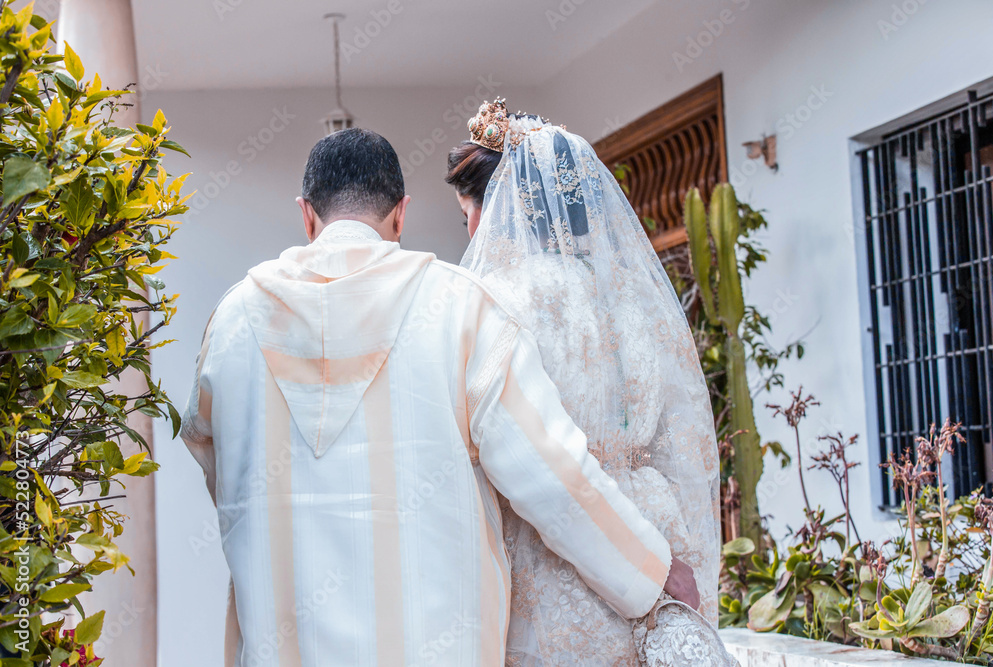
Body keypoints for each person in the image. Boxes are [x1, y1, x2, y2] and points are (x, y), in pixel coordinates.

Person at [180, 128, 691, 666]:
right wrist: (648, 571)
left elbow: (215, 459)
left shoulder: (233, 319)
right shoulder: (460, 308)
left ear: (307, 215)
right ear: (401, 215)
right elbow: (550, 472)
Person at [446, 100, 732, 666]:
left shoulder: (494, 301)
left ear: (499, 207)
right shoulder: (632, 294)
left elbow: (519, 461)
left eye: (467, 215)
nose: (472, 231)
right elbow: (682, 438)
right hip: (656, 525)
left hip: (552, 549)